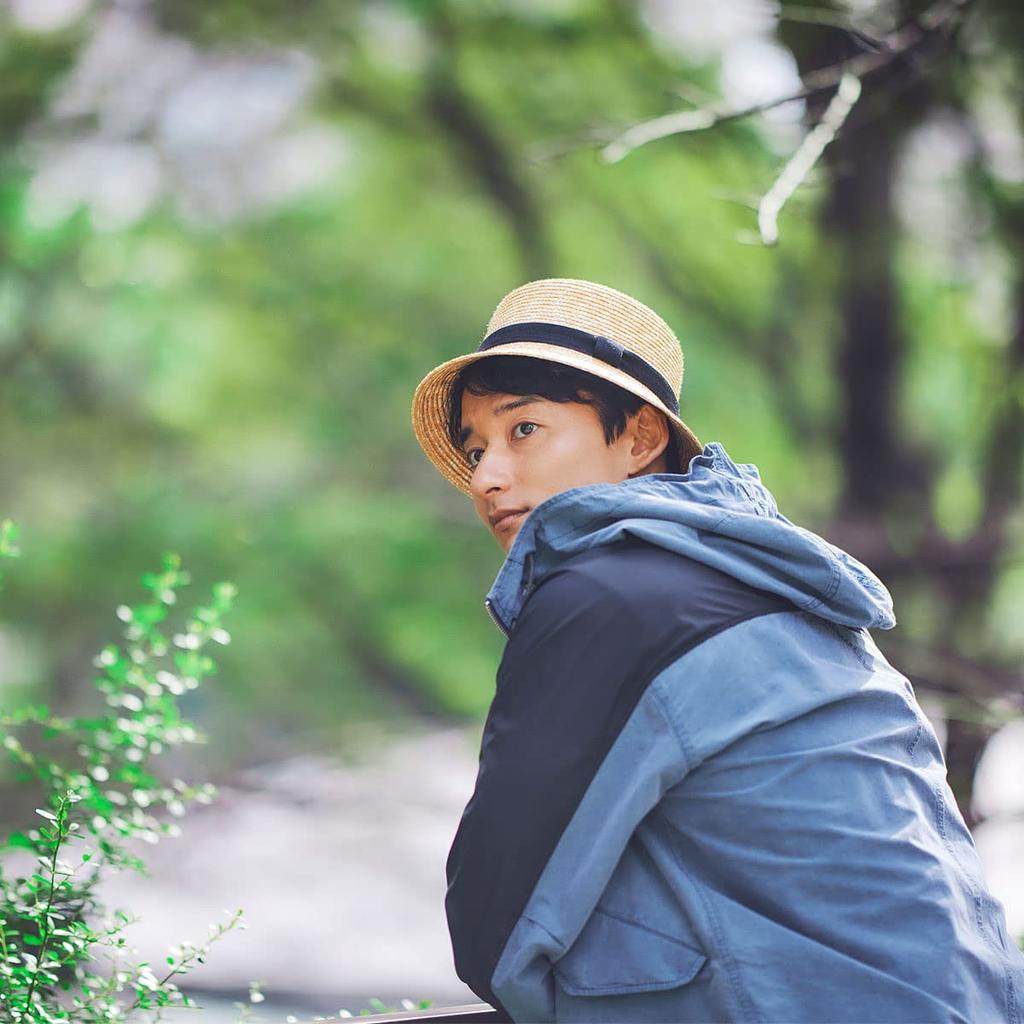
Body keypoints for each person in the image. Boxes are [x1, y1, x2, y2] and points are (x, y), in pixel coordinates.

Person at [410, 277, 1024, 1023]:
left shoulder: (611, 598)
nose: (486, 477)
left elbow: (498, 923)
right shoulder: (768, 580)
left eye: (525, 430)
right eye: (476, 448)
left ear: (639, 439)